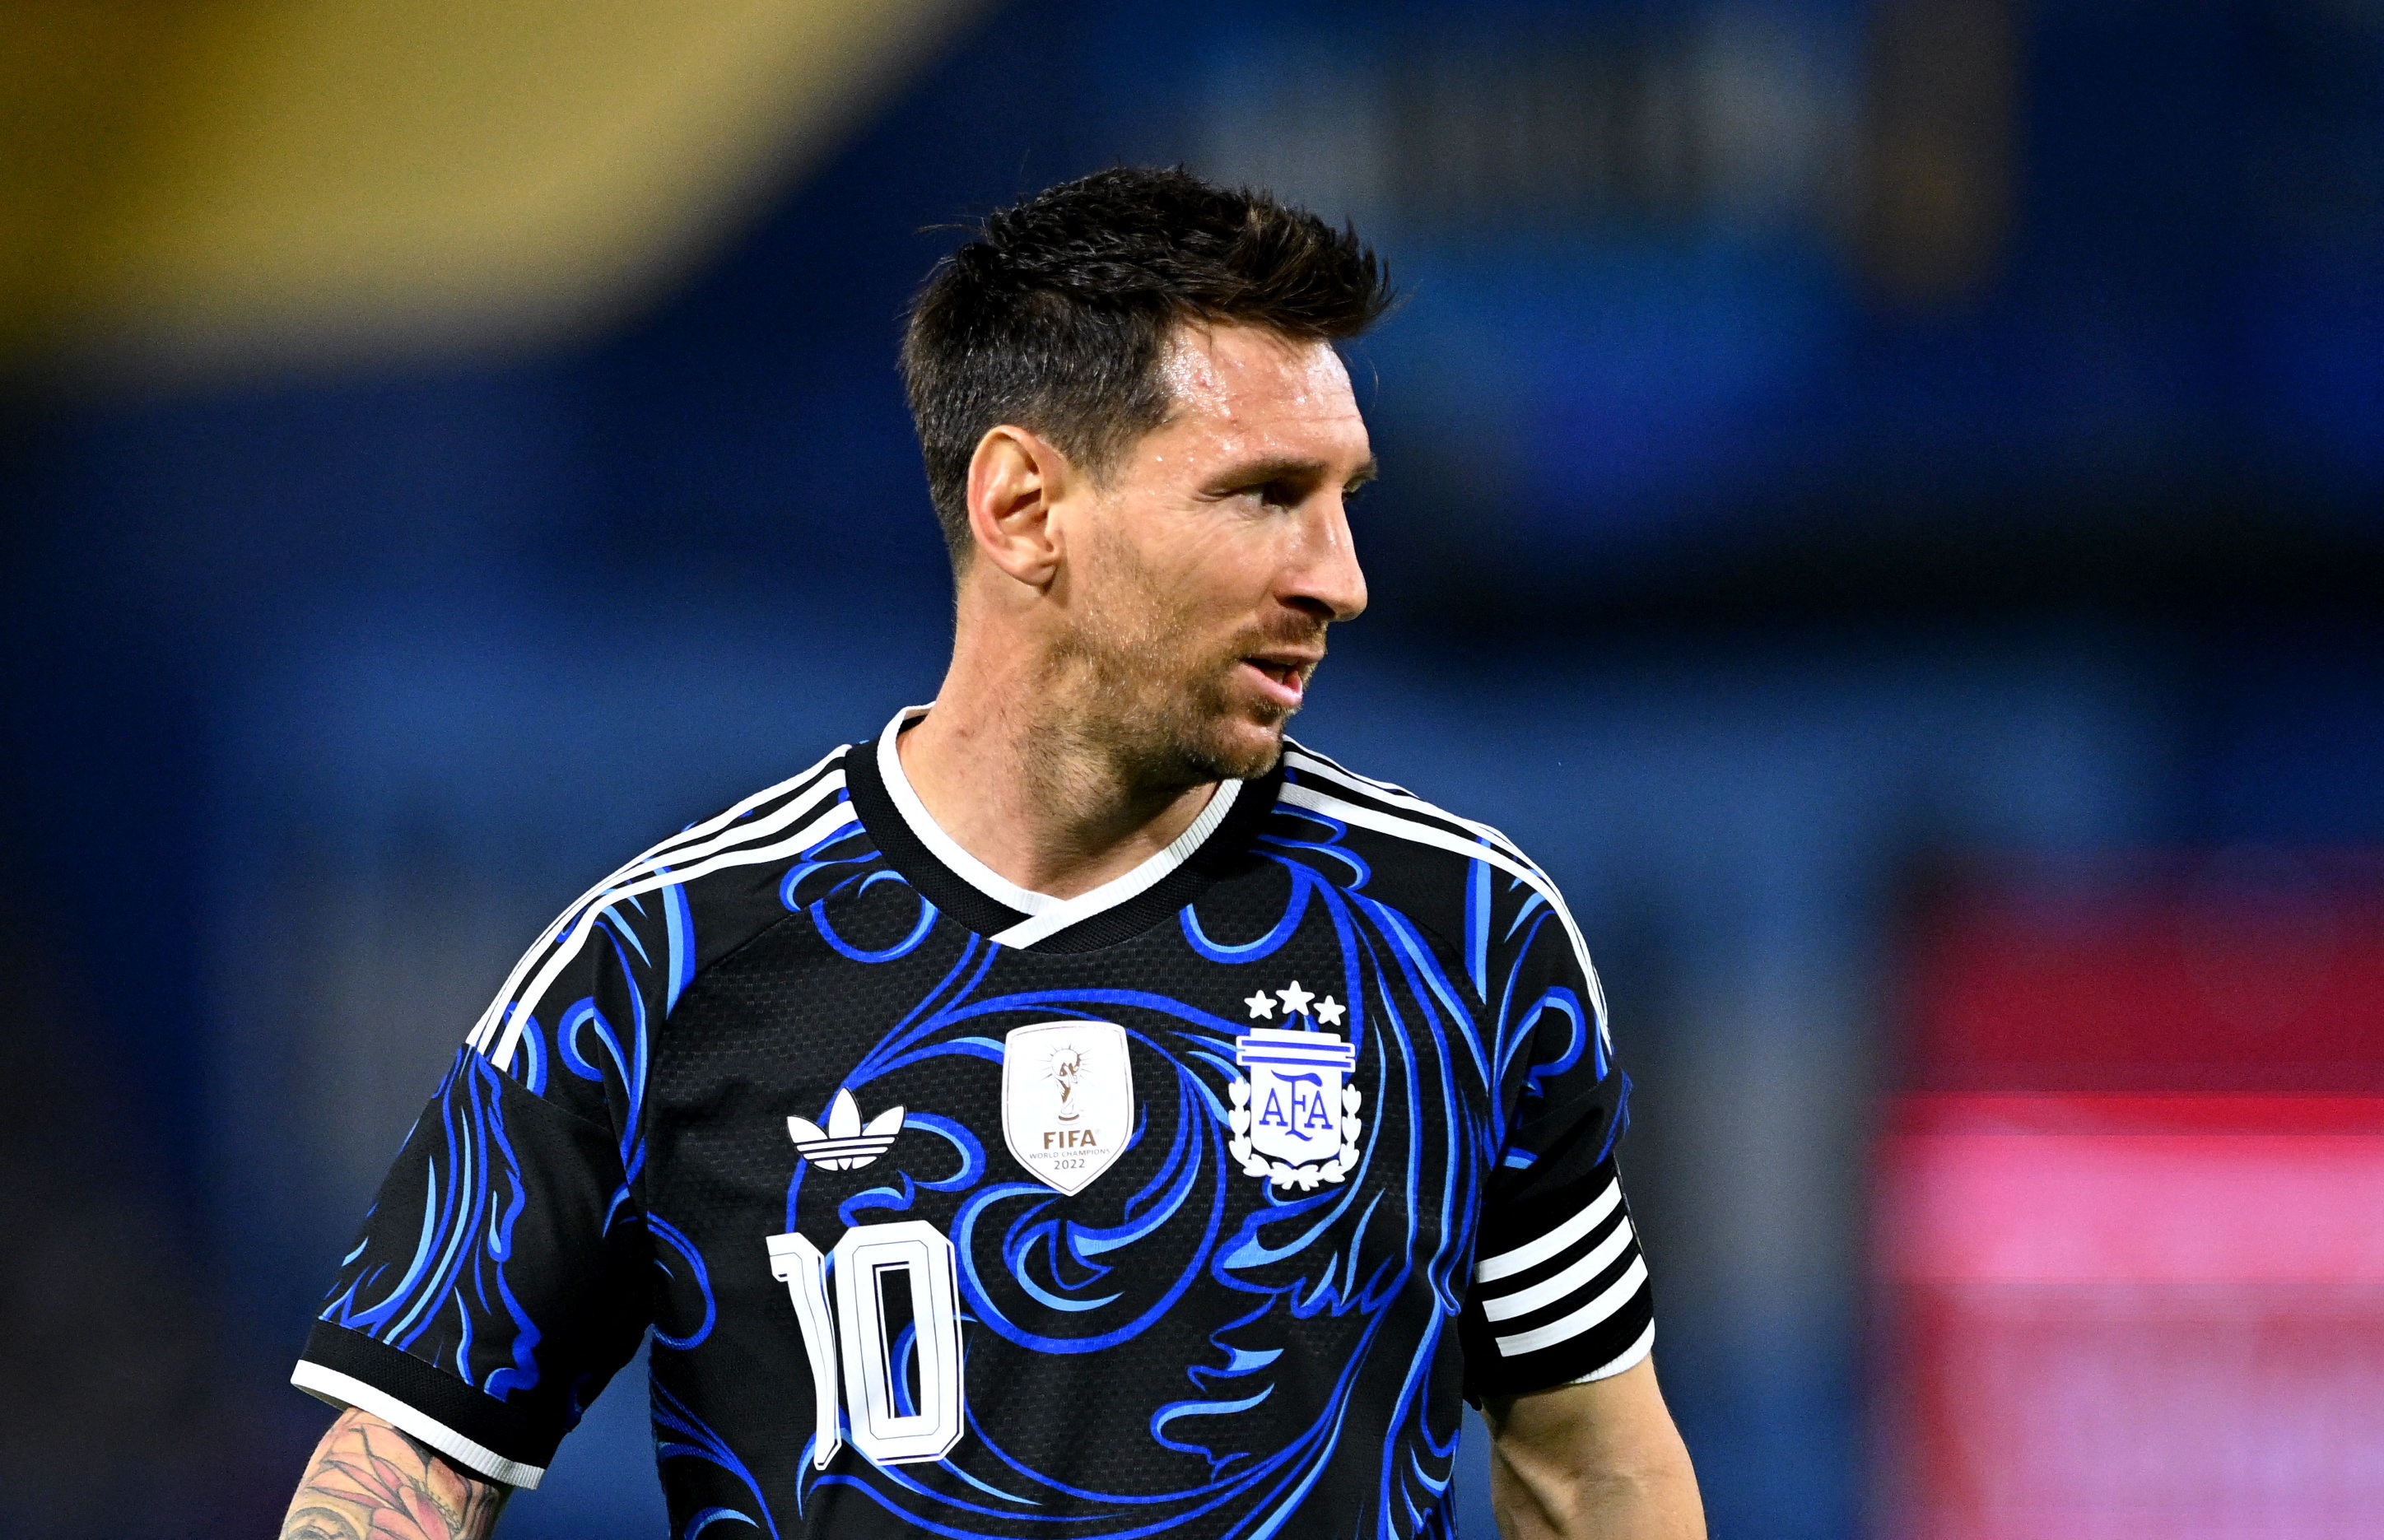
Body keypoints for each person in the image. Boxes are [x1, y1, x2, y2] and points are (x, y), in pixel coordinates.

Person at [279, 165, 1705, 1540]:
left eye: (1347, 498)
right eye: (1268, 495)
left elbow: (1592, 1471)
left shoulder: (1460, 936)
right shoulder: (657, 971)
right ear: (1023, 507)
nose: (1340, 576)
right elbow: (397, 1470)